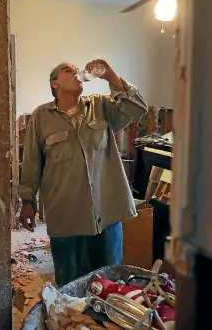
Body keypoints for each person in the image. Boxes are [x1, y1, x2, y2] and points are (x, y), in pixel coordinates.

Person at [19, 60, 148, 287]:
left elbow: (137, 105)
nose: (76, 72)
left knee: (109, 282)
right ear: (55, 83)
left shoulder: (100, 106)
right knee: (70, 285)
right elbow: (32, 161)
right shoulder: (41, 117)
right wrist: (27, 200)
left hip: (106, 214)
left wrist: (111, 76)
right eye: (67, 70)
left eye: (76, 69)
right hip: (66, 217)